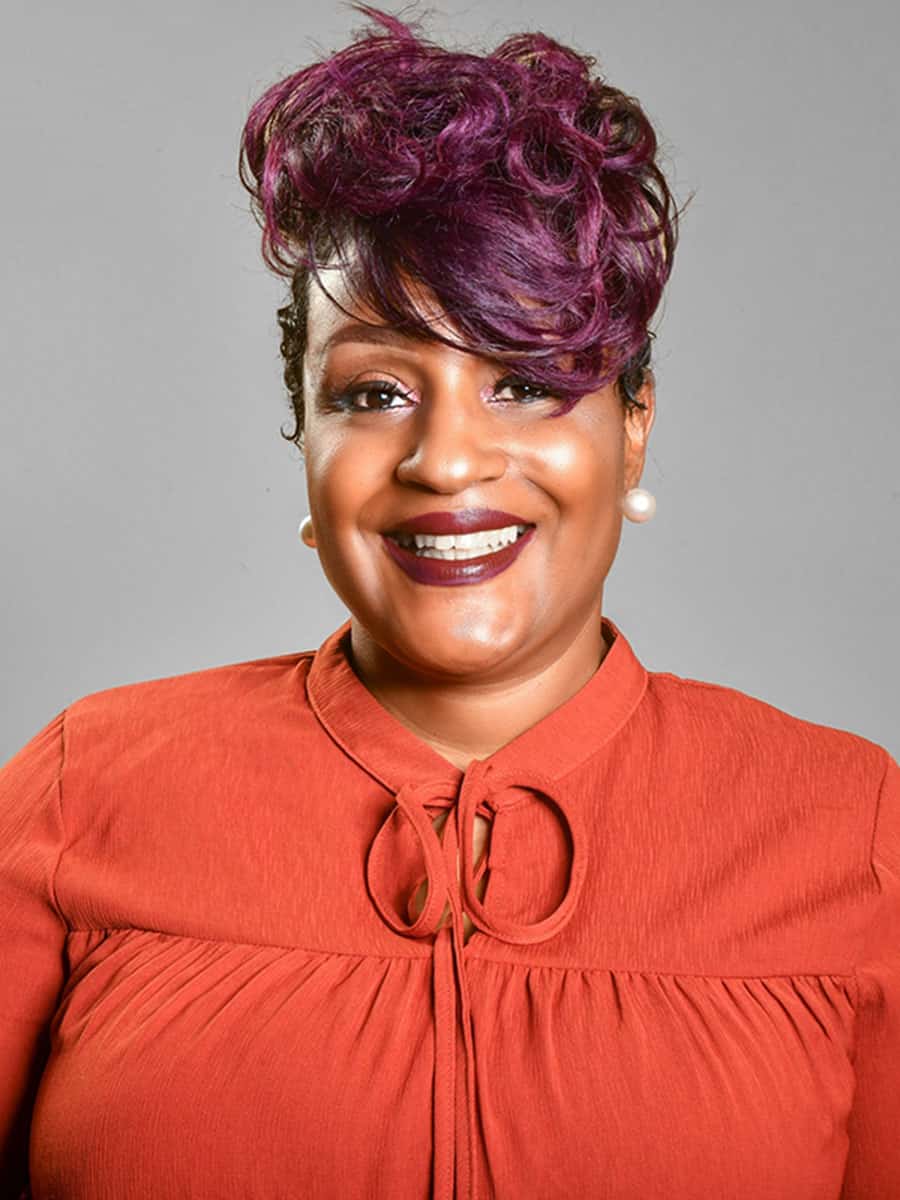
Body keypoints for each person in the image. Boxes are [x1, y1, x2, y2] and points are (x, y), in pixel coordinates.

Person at [1, 4, 897, 1197]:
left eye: (525, 381)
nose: (447, 460)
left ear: (634, 430)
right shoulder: (84, 791)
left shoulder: (855, 835)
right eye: (373, 393)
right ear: (305, 443)